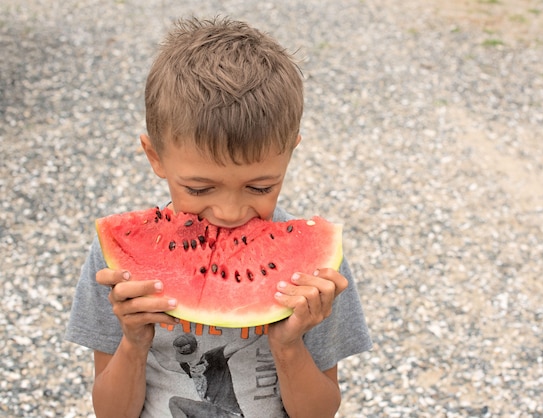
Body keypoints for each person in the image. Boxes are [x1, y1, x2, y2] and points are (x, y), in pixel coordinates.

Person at [65, 16, 372, 418]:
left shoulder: (313, 274)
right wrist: (133, 342)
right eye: (199, 189)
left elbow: (320, 412)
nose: (229, 213)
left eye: (260, 187)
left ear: (291, 153)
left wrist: (288, 345)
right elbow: (110, 413)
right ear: (155, 156)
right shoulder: (118, 265)